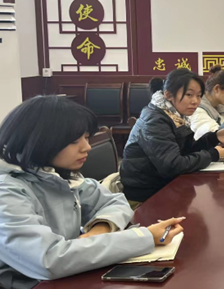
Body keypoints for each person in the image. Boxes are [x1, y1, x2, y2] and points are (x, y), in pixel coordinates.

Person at [0, 96, 184, 289]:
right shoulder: (7, 191)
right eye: (74, 141)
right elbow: (49, 260)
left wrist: (100, 229)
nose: (87, 147)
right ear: (39, 141)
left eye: (86, 137)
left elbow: (114, 202)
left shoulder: (58, 175)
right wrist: (144, 238)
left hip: (69, 276)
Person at [121, 69, 224, 204]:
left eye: (199, 96)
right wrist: (214, 154)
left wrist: (214, 138)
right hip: (146, 197)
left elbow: (187, 150)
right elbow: (173, 165)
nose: (195, 101)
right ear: (168, 95)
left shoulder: (175, 114)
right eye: (189, 95)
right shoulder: (155, 120)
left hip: (167, 188)